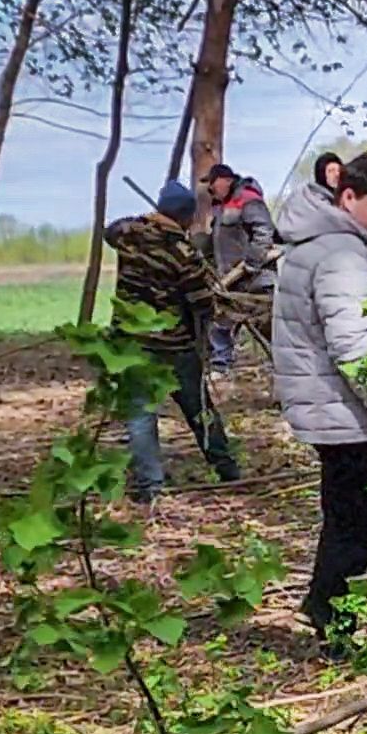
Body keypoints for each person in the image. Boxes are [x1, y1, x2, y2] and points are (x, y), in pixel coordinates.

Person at [272, 152, 367, 651]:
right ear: (347, 197)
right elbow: (351, 345)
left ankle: (326, 608)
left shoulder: (316, 242)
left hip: (327, 406)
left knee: (348, 515)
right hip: (344, 411)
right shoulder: (341, 254)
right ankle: (329, 613)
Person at [105, 181, 241, 503]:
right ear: (186, 216)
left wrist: (147, 220)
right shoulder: (182, 252)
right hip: (173, 346)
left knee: (140, 418)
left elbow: (110, 230)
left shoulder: (128, 234)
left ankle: (150, 487)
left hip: (129, 343)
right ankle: (226, 471)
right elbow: (201, 302)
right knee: (199, 410)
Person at [202, 163, 276, 374]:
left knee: (269, 328)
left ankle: (283, 369)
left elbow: (264, 232)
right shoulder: (221, 207)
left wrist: (253, 263)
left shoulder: (248, 199)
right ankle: (220, 368)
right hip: (230, 282)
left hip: (255, 280)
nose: (211, 190)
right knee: (220, 325)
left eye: (212, 184)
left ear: (225, 180)